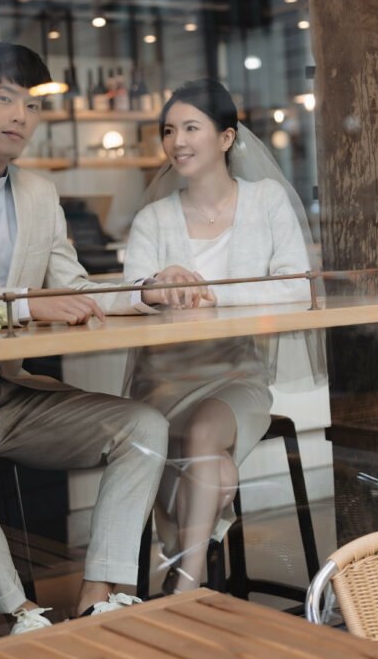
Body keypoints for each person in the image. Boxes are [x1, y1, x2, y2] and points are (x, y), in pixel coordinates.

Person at [0, 42, 184, 634]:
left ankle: (100, 592)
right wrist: (25, 304)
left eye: (31, 104)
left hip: (11, 392)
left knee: (144, 426)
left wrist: (146, 291)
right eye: (4, 98)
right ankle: (22, 613)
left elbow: (72, 286)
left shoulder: (39, 193)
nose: (21, 115)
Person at [123, 79, 325, 593]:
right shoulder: (153, 219)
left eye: (192, 127)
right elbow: (129, 294)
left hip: (238, 374)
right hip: (165, 379)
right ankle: (194, 568)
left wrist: (212, 295)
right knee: (217, 468)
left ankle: (186, 582)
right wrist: (155, 289)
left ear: (227, 138)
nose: (178, 141)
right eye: (169, 130)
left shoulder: (267, 202)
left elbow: (297, 290)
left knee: (207, 434)